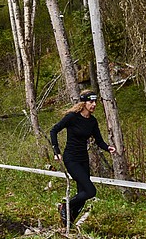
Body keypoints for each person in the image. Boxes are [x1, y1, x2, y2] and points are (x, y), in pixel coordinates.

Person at [49, 91, 115, 230]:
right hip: (71, 158)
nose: (94, 105)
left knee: (82, 196)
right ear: (84, 103)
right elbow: (54, 130)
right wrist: (56, 151)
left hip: (83, 159)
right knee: (90, 191)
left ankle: (69, 224)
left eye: (95, 102)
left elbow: (99, 141)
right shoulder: (72, 117)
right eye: (91, 102)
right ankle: (65, 206)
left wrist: (108, 148)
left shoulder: (92, 121)